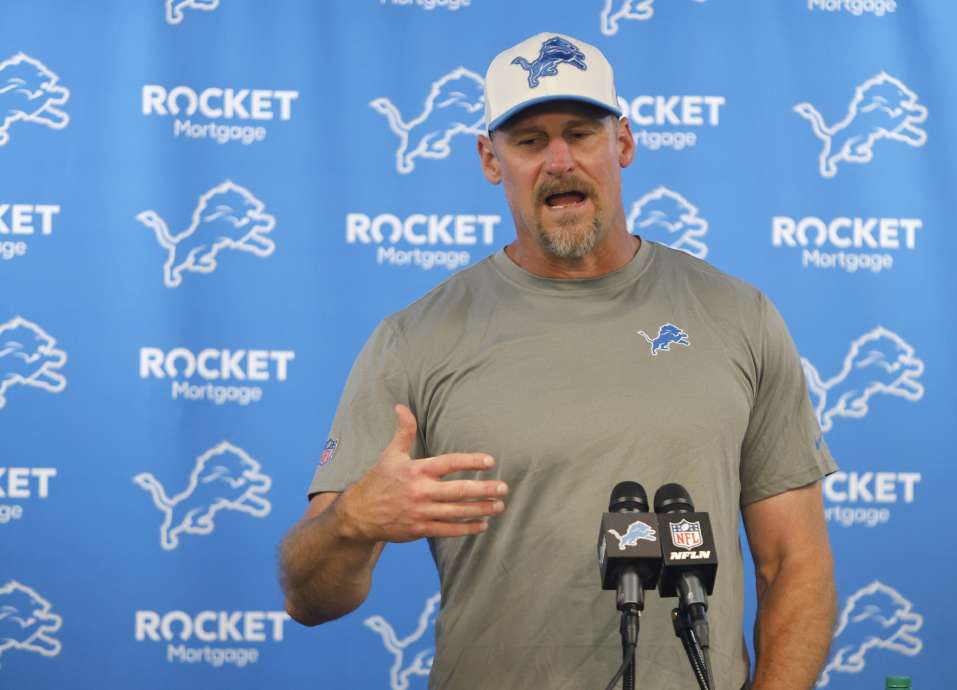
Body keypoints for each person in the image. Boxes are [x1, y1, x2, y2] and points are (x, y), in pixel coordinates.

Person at [279, 31, 838, 689]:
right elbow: (308, 598)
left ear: (623, 143)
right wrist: (350, 524)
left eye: (581, 133)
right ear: (491, 159)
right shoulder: (415, 339)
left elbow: (793, 563)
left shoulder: (738, 317)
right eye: (530, 141)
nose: (560, 160)